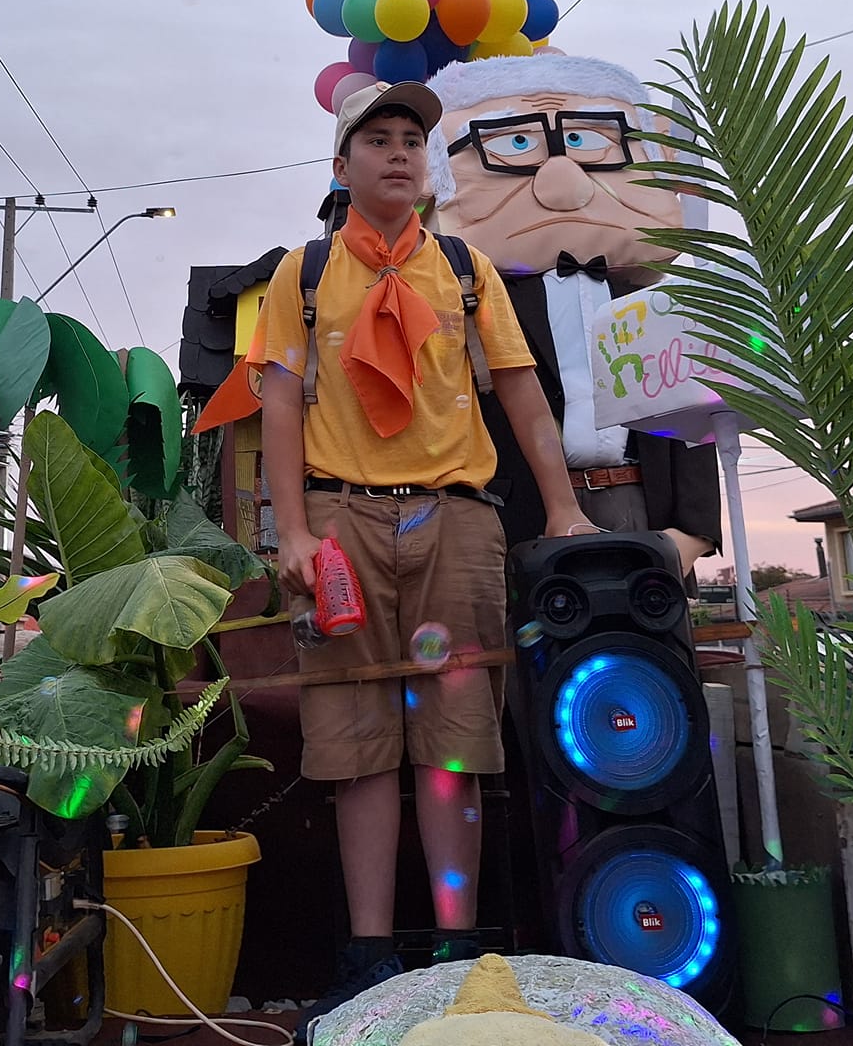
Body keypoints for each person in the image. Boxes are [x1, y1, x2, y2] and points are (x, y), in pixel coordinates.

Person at [260, 81, 593, 1031]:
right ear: (343, 165)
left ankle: (460, 954)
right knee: (359, 750)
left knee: (454, 750)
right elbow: (279, 401)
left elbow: (523, 394)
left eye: (413, 139)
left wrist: (564, 508)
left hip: (456, 520)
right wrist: (291, 531)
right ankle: (370, 960)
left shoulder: (467, 269)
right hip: (341, 527)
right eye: (378, 140)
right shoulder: (306, 273)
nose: (400, 153)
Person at [422, 54, 722, 569]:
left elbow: (691, 412)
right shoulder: (476, 306)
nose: (561, 180)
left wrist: (694, 532)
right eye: (517, 144)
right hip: (524, 516)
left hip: (642, 505)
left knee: (649, 646)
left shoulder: (653, 304)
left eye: (585, 140)